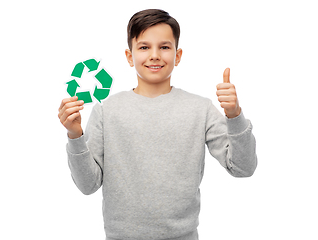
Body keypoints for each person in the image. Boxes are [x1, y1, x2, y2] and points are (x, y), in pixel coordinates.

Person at [58, 9, 257, 240]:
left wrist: (234, 115)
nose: (154, 55)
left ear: (178, 55)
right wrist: (75, 136)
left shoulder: (200, 109)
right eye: (144, 47)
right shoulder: (106, 111)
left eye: (164, 47)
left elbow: (243, 167)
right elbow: (88, 185)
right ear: (129, 56)